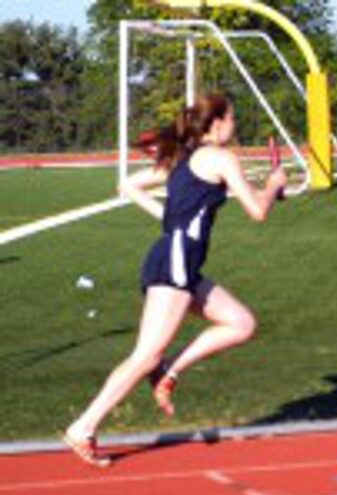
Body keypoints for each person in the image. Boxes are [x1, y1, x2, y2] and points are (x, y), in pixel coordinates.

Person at [63, 93, 287, 467]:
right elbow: (258, 211)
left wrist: (171, 225)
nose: (235, 124)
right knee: (144, 354)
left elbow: (128, 186)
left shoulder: (183, 157)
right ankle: (83, 427)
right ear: (216, 123)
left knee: (241, 323)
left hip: (176, 258)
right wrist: (274, 184)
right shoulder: (219, 157)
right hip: (176, 263)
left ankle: (170, 370)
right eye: (231, 118)